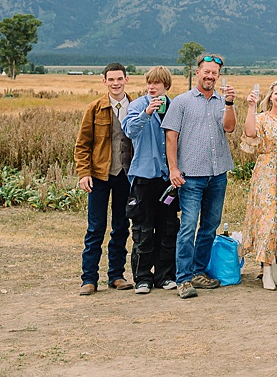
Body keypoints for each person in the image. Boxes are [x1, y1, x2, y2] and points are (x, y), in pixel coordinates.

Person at [163, 54, 237, 299]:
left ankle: (198, 272)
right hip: (191, 176)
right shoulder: (182, 102)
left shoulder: (222, 102)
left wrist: (230, 104)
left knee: (210, 226)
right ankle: (183, 279)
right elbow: (171, 137)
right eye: (206, 71)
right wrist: (173, 169)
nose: (210, 76)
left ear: (218, 76)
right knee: (188, 227)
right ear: (197, 73)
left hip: (217, 174)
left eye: (214, 73)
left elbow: (229, 128)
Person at [74, 62, 135, 295]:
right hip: (99, 175)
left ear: (126, 80)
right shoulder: (94, 108)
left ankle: (116, 276)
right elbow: (82, 145)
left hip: (126, 176)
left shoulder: (136, 106)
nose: (115, 83)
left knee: (121, 227)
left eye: (119, 79)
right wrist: (84, 173)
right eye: (111, 79)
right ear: (104, 81)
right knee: (95, 228)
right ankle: (89, 279)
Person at [121, 66, 178, 293]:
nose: (152, 87)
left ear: (166, 86)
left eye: (157, 83)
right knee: (143, 230)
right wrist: (146, 113)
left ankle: (165, 276)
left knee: (168, 228)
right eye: (149, 83)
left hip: (168, 178)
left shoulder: (174, 107)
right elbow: (129, 131)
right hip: (144, 177)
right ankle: (142, 277)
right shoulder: (137, 105)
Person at [237, 81, 277, 290]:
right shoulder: (262, 118)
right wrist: (251, 107)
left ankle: (275, 266)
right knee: (268, 219)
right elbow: (250, 134)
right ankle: (266, 268)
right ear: (270, 97)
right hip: (267, 171)